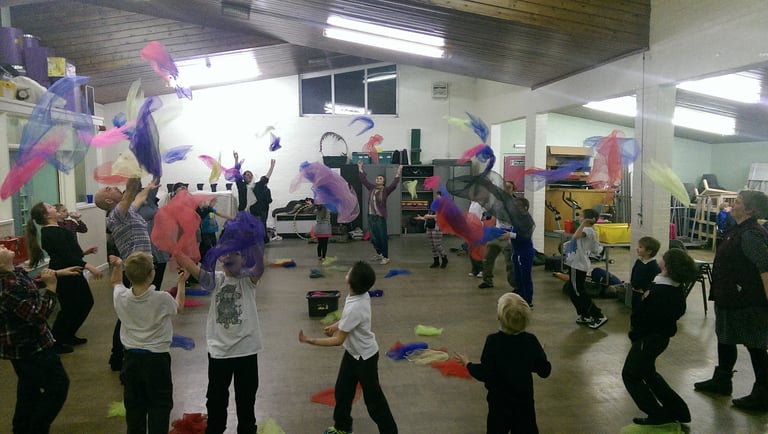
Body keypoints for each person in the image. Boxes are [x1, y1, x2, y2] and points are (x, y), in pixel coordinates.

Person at [175, 218, 265, 434]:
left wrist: (251, 241)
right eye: (225, 254)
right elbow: (190, 266)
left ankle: (247, 429)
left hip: (246, 349)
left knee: (246, 398)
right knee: (216, 398)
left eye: (234, 254)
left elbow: (260, 267)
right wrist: (176, 244)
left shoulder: (248, 281)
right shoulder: (215, 280)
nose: (228, 258)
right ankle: (215, 429)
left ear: (244, 258)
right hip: (219, 351)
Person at [299, 261, 398, 434]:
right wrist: (336, 325)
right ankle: (342, 427)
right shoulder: (359, 295)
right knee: (343, 391)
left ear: (351, 282)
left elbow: (338, 340)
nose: (348, 272)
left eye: (350, 271)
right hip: (353, 353)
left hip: (365, 358)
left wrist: (310, 340)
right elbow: (349, 319)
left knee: (374, 402)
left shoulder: (356, 306)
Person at [694, 190, 768, 411]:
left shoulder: (751, 234)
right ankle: (722, 380)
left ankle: (764, 394)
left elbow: (765, 268)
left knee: (755, 346)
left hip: (747, 301)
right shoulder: (736, 229)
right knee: (725, 338)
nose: (732, 205)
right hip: (729, 297)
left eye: (737, 202)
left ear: (749, 209)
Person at [0, 245, 80, 434]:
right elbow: (39, 316)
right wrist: (52, 287)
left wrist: (57, 274)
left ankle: (21, 428)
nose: (2, 245)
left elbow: (30, 286)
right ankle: (37, 428)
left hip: (24, 347)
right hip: (30, 348)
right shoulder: (8, 288)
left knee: (29, 389)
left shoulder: (14, 274)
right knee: (58, 386)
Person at [110, 252, 187, 434]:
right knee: (160, 405)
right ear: (152, 274)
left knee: (134, 406)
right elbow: (179, 307)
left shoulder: (121, 296)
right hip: (157, 361)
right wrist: (181, 283)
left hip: (131, 360)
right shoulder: (162, 298)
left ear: (129, 275)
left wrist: (118, 266)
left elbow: (115, 282)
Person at [455, 292, 551, 434]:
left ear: (498, 317)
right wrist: (538, 353)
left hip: (498, 404)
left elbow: (486, 373)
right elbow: (544, 370)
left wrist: (468, 364)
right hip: (523, 404)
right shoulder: (530, 341)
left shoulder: (493, 341)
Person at [622, 248, 698, 426]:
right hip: (657, 338)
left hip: (648, 339)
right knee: (648, 373)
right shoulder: (670, 286)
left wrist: (643, 302)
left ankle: (656, 413)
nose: (660, 258)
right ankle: (679, 410)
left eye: (663, 258)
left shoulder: (661, 291)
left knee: (631, 375)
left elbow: (643, 315)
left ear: (667, 266)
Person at [94, 177, 158, 370]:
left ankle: (127, 353)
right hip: (136, 269)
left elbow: (137, 197)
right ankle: (118, 357)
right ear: (108, 200)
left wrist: (148, 187)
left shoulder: (127, 211)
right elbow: (130, 191)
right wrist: (135, 168)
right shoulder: (116, 215)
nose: (114, 187)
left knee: (135, 312)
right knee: (128, 314)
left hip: (143, 266)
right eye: (109, 189)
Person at [27, 202, 102, 353]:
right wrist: (89, 266)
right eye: (50, 207)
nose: (54, 208)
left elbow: (69, 252)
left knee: (81, 304)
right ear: (46, 215)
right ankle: (57, 340)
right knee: (71, 307)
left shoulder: (56, 230)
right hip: (65, 273)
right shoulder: (51, 232)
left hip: (71, 271)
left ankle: (67, 335)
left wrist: (84, 253)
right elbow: (66, 255)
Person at [564, 208, 607, 329]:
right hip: (577, 264)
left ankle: (598, 315)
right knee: (573, 292)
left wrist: (583, 223)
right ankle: (585, 315)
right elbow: (594, 248)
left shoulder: (588, 230)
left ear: (588, 219)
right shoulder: (590, 231)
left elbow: (576, 236)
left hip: (577, 265)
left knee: (578, 293)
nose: (580, 218)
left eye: (582, 217)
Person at [358, 160, 402, 265]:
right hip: (371, 216)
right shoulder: (371, 188)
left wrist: (398, 172)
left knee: (382, 237)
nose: (378, 179)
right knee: (373, 238)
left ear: (383, 182)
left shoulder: (386, 190)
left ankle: (385, 257)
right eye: (377, 178)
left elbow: (394, 184)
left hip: (380, 217)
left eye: (380, 178)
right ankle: (379, 253)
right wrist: (360, 167)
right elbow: (363, 180)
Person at [478, 181, 517, 289]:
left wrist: (512, 235)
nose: (506, 189)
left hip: (507, 234)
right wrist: (487, 216)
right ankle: (487, 281)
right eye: (504, 187)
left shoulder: (516, 204)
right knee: (487, 259)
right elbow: (492, 213)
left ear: (513, 189)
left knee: (510, 263)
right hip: (496, 233)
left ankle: (516, 286)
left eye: (509, 187)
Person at [509, 197, 536, 307]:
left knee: (525, 277)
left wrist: (510, 235)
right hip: (517, 251)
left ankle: (527, 300)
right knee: (518, 277)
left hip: (524, 252)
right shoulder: (517, 219)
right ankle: (520, 296)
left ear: (525, 207)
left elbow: (525, 237)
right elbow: (513, 231)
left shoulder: (527, 220)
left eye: (518, 206)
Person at [414, 191, 447, 269]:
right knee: (432, 245)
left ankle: (444, 258)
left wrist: (429, 216)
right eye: (436, 196)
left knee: (437, 245)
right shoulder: (432, 206)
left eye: (439, 196)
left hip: (437, 228)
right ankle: (436, 261)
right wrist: (422, 218)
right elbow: (429, 217)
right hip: (430, 227)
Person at [197, 197, 234, 262]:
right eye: (214, 201)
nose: (215, 203)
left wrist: (232, 218)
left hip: (212, 231)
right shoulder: (203, 210)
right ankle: (204, 259)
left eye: (215, 202)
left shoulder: (211, 210)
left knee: (213, 245)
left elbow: (220, 214)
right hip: (205, 232)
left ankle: (217, 257)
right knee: (207, 245)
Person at [630, 237, 661, 309]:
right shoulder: (639, 261)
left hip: (643, 293)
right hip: (635, 291)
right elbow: (633, 272)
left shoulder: (653, 265)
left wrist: (647, 290)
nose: (637, 248)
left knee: (641, 309)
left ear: (649, 251)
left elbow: (655, 280)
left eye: (640, 247)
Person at [467, 200, 486, 277]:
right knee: (471, 249)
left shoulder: (481, 203)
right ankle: (474, 269)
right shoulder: (472, 203)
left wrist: (484, 217)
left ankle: (481, 269)